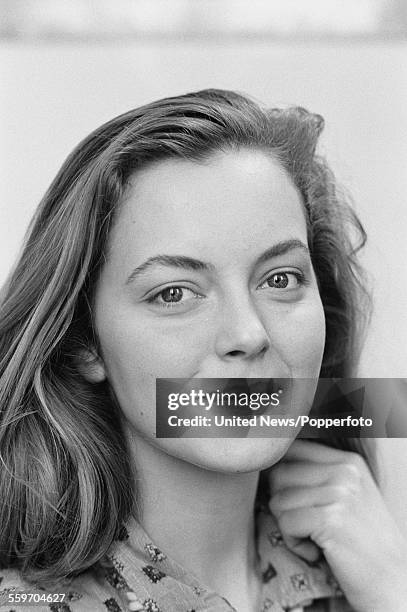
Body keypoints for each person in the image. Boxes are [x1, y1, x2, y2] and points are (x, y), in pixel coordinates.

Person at [0, 89, 405, 612]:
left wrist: (391, 585)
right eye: (174, 293)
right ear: (85, 344)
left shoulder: (367, 558)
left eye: (280, 279)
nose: (248, 334)